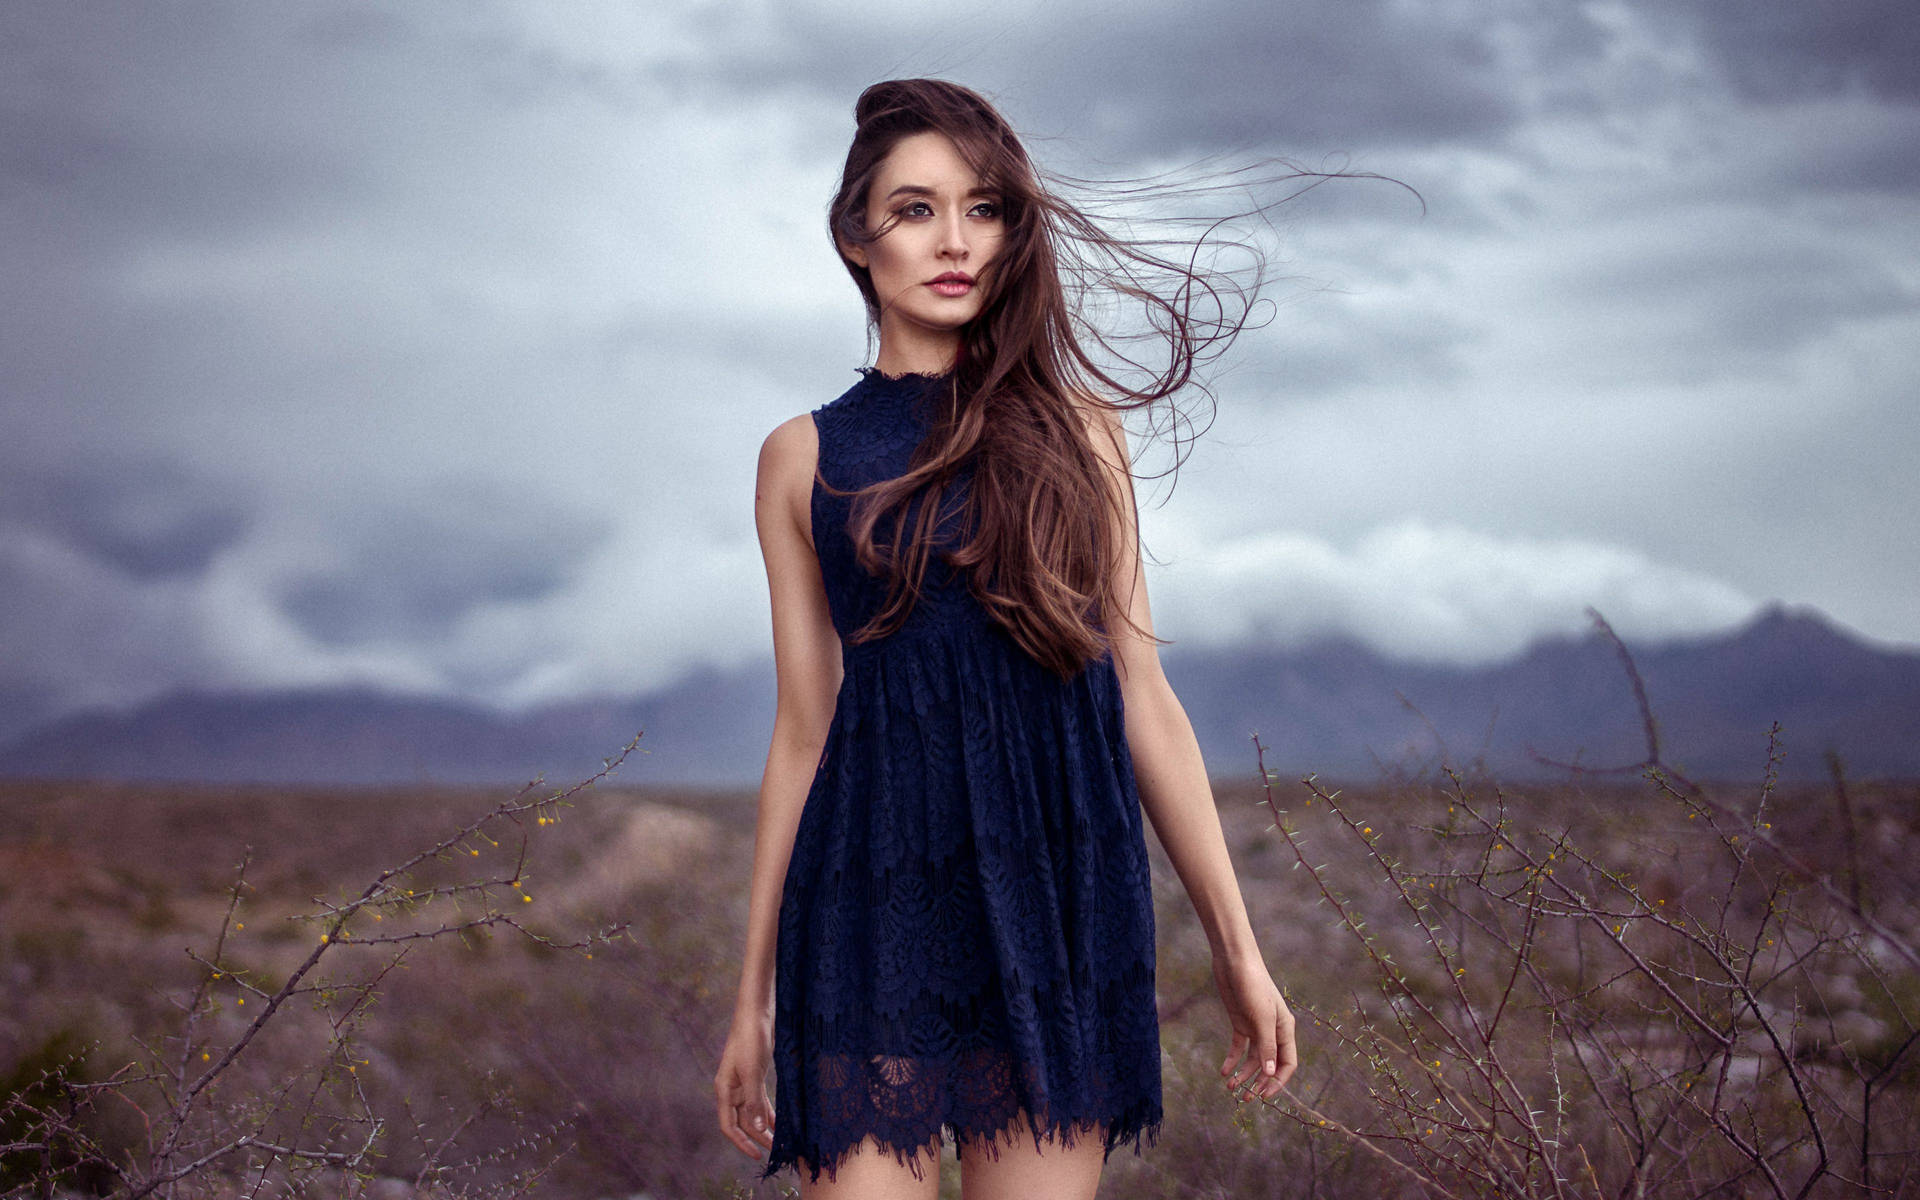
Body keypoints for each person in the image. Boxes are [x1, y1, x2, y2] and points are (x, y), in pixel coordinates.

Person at [715, 78, 1300, 1199]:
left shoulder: (1082, 433)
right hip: (871, 899)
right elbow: (802, 732)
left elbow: (1141, 691)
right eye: (916, 210)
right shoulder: (801, 457)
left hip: (1056, 896)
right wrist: (752, 1002)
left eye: (984, 210)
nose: (956, 242)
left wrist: (1239, 947)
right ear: (856, 236)